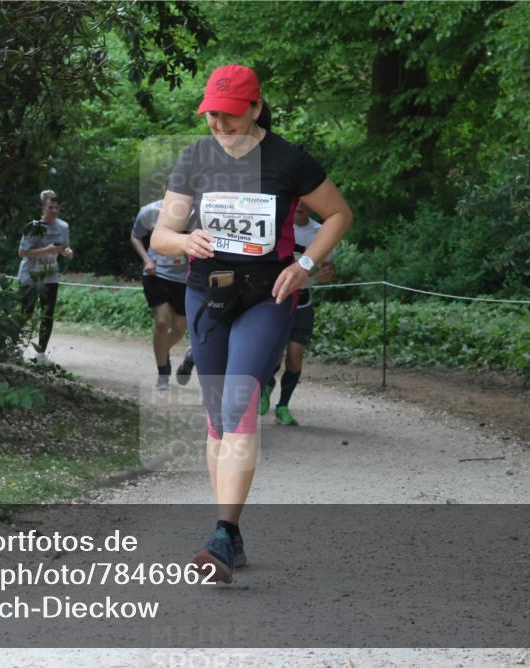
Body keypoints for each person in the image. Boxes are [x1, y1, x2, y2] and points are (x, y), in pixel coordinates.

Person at [151, 64, 353, 582]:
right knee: (217, 418)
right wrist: (184, 240)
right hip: (207, 295)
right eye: (212, 115)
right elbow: (161, 237)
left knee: (238, 405)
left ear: (256, 108)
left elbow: (338, 214)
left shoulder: (288, 159)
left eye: (230, 115)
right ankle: (230, 533)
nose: (220, 124)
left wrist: (305, 265)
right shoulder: (195, 158)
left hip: (267, 297)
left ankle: (221, 534)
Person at [258, 202, 335, 425]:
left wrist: (329, 272)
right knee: (274, 354)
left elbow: (329, 265)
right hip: (276, 300)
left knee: (295, 356)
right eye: (296, 201)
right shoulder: (275, 223)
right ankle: (266, 387)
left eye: (305, 202)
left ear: (312, 205)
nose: (300, 205)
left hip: (302, 302)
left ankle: (283, 406)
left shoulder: (320, 232)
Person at [130, 197, 196, 390]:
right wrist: (147, 260)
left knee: (180, 328)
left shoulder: (194, 214)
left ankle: (161, 350)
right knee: (161, 322)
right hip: (156, 274)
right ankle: (163, 372)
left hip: (183, 278)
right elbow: (135, 236)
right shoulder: (149, 211)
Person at [17, 189, 72, 364]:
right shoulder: (32, 227)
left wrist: (67, 252)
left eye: (57, 208)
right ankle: (13, 348)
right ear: (42, 208)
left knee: (47, 314)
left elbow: (64, 247)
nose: (54, 211)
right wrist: (46, 250)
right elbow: (22, 252)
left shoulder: (63, 227)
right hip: (30, 276)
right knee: (25, 313)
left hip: (50, 276)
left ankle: (40, 354)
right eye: (50, 207)